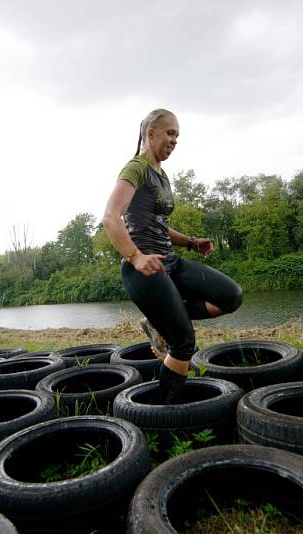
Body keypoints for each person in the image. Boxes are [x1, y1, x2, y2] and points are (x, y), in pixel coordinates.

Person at [102, 108, 243, 404]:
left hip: (170, 262)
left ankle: (158, 320)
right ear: (150, 134)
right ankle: (166, 414)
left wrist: (191, 242)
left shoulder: (162, 175)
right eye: (170, 133)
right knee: (183, 343)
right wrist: (135, 256)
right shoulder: (135, 168)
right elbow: (111, 217)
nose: (175, 140)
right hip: (144, 270)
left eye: (177, 136)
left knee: (230, 296)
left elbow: (160, 226)